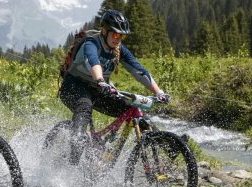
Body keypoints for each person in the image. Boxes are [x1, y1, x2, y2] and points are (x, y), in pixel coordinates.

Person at [59, 9, 170, 164]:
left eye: (122, 36)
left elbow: (138, 71)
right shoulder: (91, 43)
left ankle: (168, 147)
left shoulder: (119, 50)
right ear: (104, 31)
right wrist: (100, 80)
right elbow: (92, 61)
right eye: (116, 34)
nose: (118, 39)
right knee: (84, 105)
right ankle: (75, 148)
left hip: (97, 88)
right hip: (73, 86)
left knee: (133, 110)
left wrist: (159, 92)